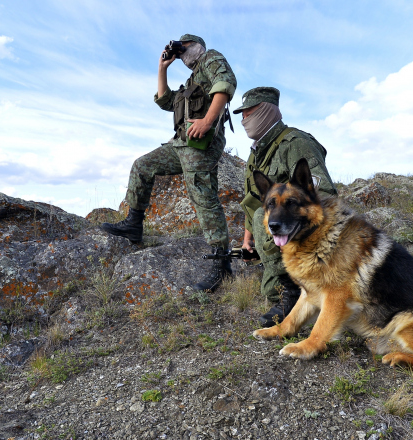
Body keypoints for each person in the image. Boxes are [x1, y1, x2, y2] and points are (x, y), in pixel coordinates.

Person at [101, 34, 237, 292]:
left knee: (202, 194)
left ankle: (222, 265)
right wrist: (163, 68)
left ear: (196, 46)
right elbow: (165, 101)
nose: (181, 52)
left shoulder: (210, 58)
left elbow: (226, 83)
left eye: (184, 47)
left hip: (201, 144)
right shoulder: (191, 80)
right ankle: (133, 224)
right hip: (180, 145)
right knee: (143, 166)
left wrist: (207, 121)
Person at [235, 87, 338, 326]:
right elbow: (254, 202)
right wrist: (248, 239)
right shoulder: (257, 153)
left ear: (266, 112)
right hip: (283, 236)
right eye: (241, 115)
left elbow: (323, 195)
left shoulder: (296, 143)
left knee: (269, 215)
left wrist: (297, 235)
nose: (243, 120)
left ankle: (296, 294)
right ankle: (289, 292)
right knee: (269, 289)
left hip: (306, 236)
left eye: (248, 113)